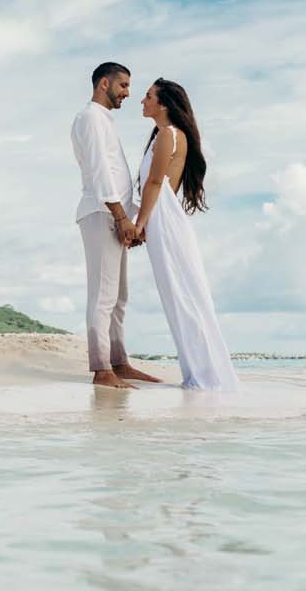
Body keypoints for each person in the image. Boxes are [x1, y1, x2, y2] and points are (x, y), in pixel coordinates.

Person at [131, 78, 239, 391]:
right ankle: (199, 373)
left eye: (148, 96)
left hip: (164, 219)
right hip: (161, 218)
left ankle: (206, 377)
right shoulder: (161, 136)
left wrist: (139, 224)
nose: (142, 100)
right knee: (177, 297)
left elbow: (155, 184)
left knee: (184, 296)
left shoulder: (169, 135)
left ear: (163, 104)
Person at [71, 62, 163, 389]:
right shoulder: (90, 118)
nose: (128, 93)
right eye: (123, 86)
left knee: (120, 296)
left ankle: (119, 362)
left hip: (114, 213)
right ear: (104, 83)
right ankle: (101, 370)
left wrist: (135, 217)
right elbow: (99, 173)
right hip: (100, 214)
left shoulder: (104, 121)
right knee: (103, 296)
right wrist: (121, 217)